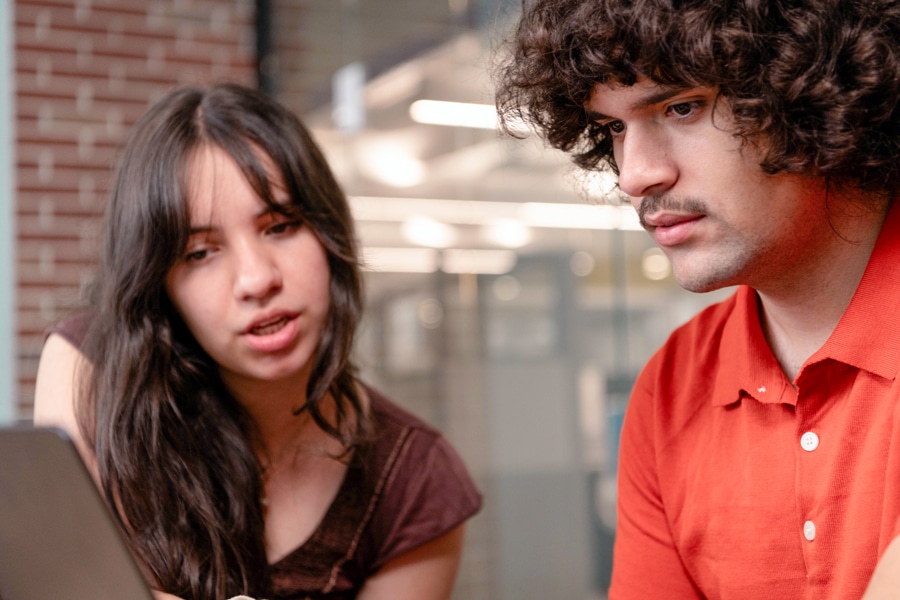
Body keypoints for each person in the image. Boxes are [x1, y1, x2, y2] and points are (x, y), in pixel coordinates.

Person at [496, 0, 900, 598]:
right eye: (613, 128)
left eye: (681, 106)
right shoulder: (671, 387)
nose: (635, 175)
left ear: (816, 90)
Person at [33, 83, 482, 600]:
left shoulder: (415, 479)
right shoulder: (89, 367)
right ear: (160, 284)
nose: (256, 280)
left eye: (280, 226)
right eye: (200, 253)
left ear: (328, 232)